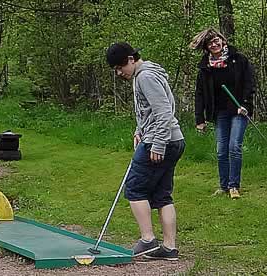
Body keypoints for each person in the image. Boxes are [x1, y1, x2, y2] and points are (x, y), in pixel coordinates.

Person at [106, 42, 186, 261]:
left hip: (161, 141)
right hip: (172, 139)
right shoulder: (147, 73)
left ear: (131, 60)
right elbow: (148, 111)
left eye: (120, 67)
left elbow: (164, 112)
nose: (119, 72)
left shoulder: (145, 77)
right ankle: (169, 248)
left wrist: (158, 143)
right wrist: (139, 130)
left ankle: (148, 240)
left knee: (134, 188)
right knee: (162, 194)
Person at [189, 28, 256, 199]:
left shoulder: (239, 59)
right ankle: (224, 186)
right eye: (210, 42)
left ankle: (234, 186)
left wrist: (245, 104)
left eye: (216, 40)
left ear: (223, 40)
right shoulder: (205, 68)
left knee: (234, 147)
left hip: (239, 111)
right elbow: (200, 94)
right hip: (220, 113)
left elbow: (250, 83)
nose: (214, 44)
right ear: (207, 48)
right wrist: (200, 119)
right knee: (221, 150)